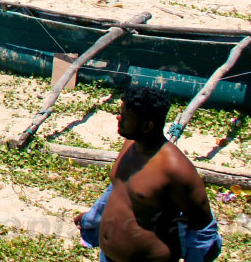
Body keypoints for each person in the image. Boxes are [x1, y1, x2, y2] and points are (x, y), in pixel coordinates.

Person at [75, 85, 220, 262]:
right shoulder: (130, 144)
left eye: (125, 117)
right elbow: (118, 191)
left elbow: (203, 229)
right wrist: (92, 218)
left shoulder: (176, 170)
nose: (118, 118)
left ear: (147, 126)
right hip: (108, 256)